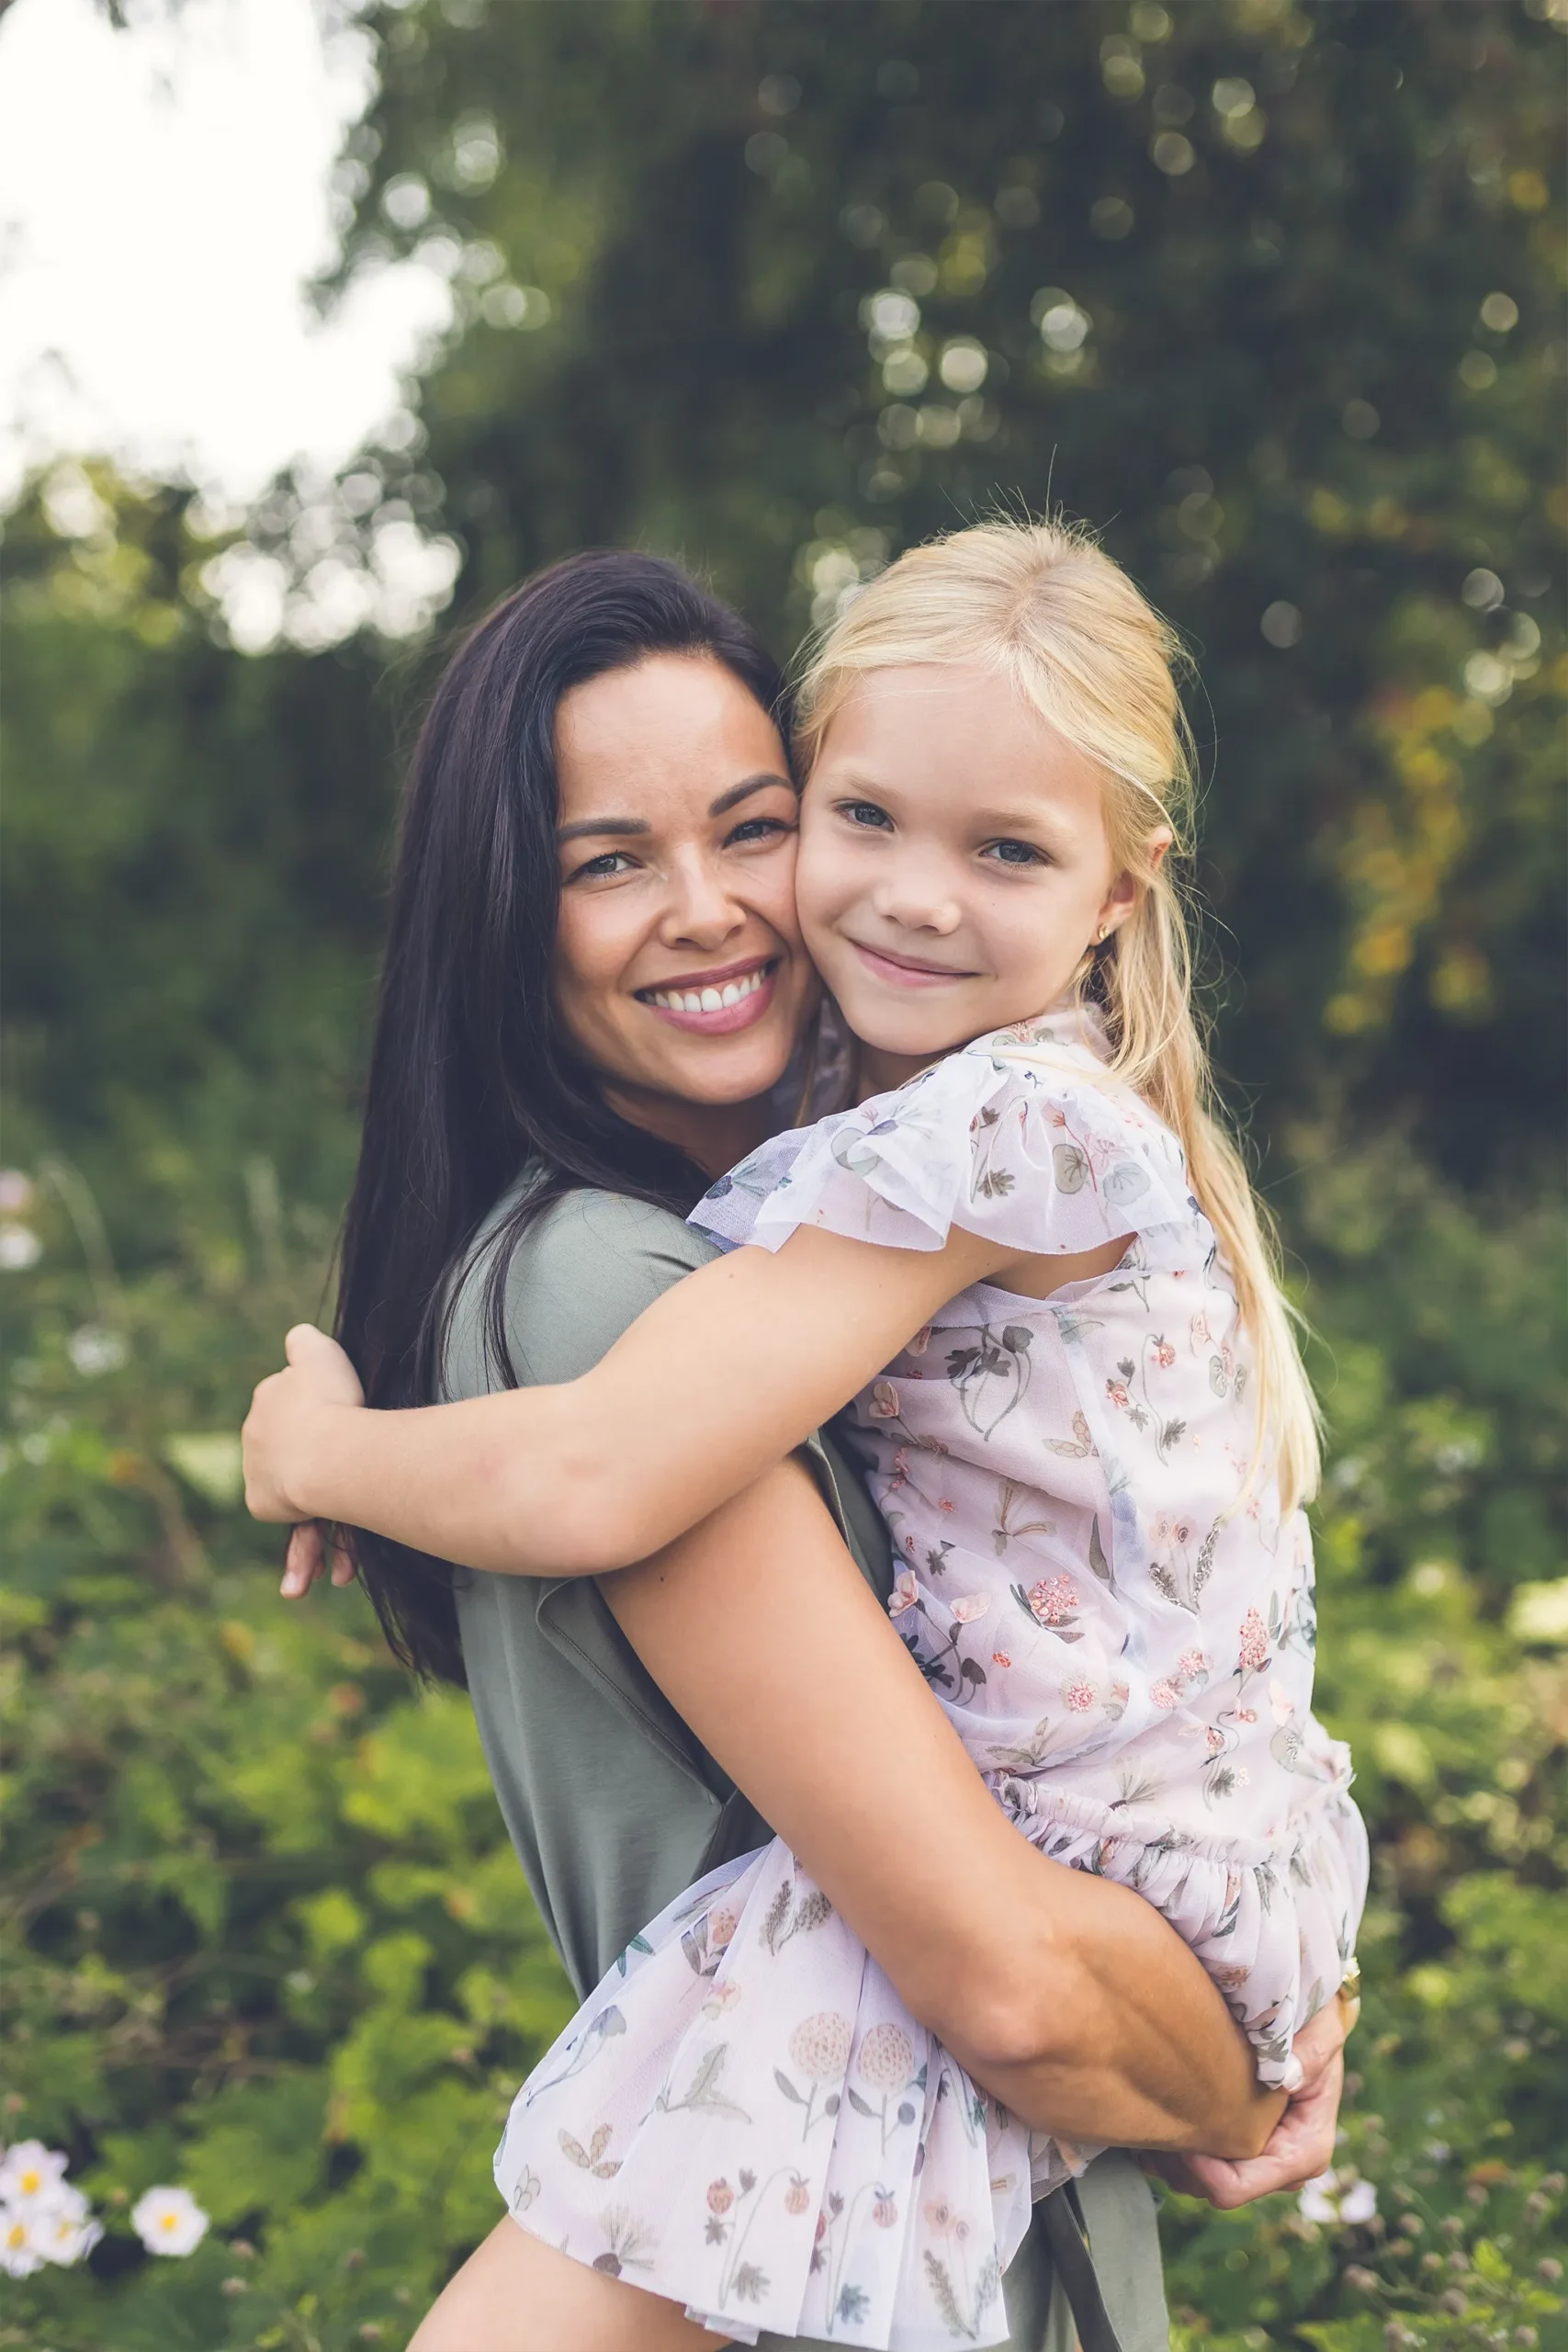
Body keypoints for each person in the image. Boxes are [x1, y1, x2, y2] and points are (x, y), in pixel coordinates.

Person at [254, 544, 1352, 2351]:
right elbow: (1009, 1974)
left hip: (1062, 1951)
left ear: (1114, 892)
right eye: (609, 858)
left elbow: (596, 1474)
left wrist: (320, 1448)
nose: (718, 906)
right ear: (498, 908)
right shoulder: (633, 1267)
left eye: (747, 824)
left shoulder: (960, 1130)